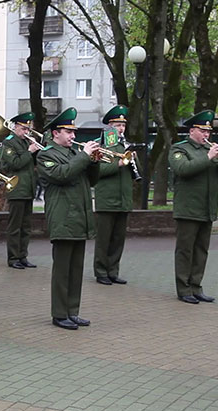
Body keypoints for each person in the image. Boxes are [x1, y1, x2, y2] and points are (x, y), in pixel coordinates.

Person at [36, 107, 99, 330]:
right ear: (55, 133)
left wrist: (94, 161)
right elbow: (62, 175)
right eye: (68, 132)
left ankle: (73, 311)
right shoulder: (46, 155)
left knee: (76, 269)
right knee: (62, 270)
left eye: (73, 132)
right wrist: (84, 157)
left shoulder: (75, 153)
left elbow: (91, 180)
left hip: (79, 217)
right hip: (62, 217)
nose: (73, 136)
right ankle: (59, 313)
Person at [169, 110, 218, 304]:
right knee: (185, 251)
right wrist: (209, 157)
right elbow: (183, 170)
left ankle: (196, 286)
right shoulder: (179, 149)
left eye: (208, 132)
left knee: (201, 250)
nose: (207, 135)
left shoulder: (209, 150)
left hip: (207, 208)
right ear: (193, 130)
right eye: (203, 131)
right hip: (188, 209)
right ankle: (183, 288)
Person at [93, 105, 133, 286]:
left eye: (123, 126)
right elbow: (97, 170)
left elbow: (132, 171)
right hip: (107, 199)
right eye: (117, 125)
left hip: (123, 199)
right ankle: (101, 271)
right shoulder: (100, 145)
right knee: (104, 239)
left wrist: (133, 158)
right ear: (109, 126)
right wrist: (118, 164)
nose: (121, 129)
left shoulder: (125, 145)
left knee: (118, 239)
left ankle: (113, 271)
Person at [0, 112, 40, 269]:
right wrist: (29, 151)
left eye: (28, 129)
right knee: (15, 226)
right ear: (15, 127)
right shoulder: (9, 143)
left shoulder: (25, 142)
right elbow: (15, 164)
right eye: (23, 129)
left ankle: (23, 256)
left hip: (28, 188)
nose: (26, 132)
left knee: (26, 226)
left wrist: (35, 150)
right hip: (16, 189)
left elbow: (32, 163)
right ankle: (13, 257)